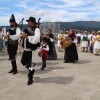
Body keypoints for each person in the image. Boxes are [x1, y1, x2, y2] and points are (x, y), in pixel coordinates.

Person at [20, 17, 40, 85]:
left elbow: (36, 39)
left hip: (33, 50)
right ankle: (32, 70)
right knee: (23, 62)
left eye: (30, 22)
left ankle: (30, 78)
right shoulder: (26, 30)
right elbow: (24, 39)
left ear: (33, 23)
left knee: (32, 65)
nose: (29, 23)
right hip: (26, 49)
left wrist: (27, 37)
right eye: (28, 22)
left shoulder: (36, 29)